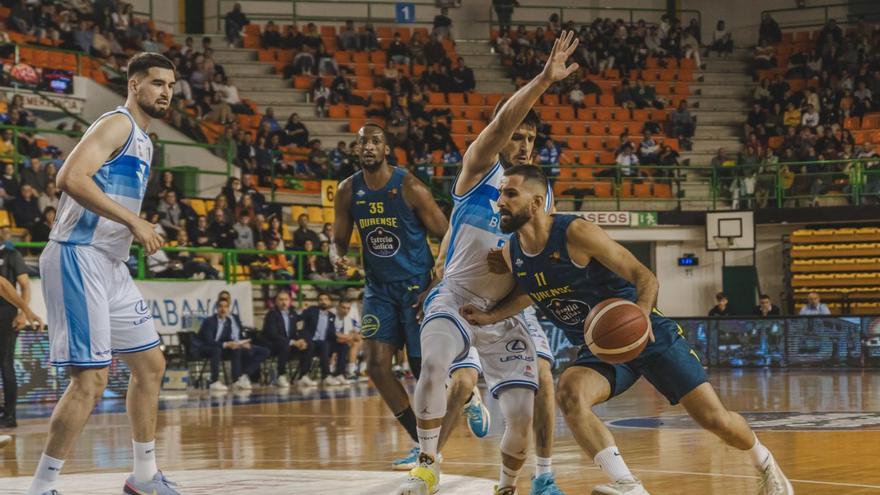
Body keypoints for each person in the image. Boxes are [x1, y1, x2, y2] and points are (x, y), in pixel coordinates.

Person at [461, 165, 794, 495]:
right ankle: (627, 484)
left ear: (535, 203)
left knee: (714, 419)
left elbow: (644, 276)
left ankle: (764, 461)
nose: (500, 201)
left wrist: (641, 319)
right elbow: (531, 293)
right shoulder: (512, 252)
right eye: (501, 193)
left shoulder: (576, 233)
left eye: (510, 193)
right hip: (602, 347)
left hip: (647, 332)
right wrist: (490, 316)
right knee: (570, 392)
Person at [396, 32, 581, 495]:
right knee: (435, 365)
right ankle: (426, 463)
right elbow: (499, 126)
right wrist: (543, 79)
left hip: (506, 311)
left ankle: (520, 481)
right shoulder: (479, 168)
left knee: (526, 404)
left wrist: (516, 269)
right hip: (458, 296)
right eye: (516, 134)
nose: (521, 142)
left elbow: (542, 268)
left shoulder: (542, 197)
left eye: (529, 138)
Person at [30, 52, 179, 495]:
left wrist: (135, 227)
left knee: (150, 365)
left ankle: (145, 476)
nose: (166, 92)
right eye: (156, 83)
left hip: (110, 263)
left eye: (170, 85)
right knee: (90, 381)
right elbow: (70, 177)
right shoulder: (116, 124)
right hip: (78, 256)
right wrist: (134, 223)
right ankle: (41, 487)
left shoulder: (146, 141)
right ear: (134, 85)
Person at [332, 123, 450, 470]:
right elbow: (338, 239)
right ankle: (422, 444)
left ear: (387, 150)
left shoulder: (411, 187)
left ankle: (465, 389)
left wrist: (436, 281)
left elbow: (447, 234)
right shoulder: (347, 190)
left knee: (421, 369)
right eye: (362, 142)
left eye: (375, 141)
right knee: (377, 366)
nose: (367, 146)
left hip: (416, 287)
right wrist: (336, 256)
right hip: (378, 289)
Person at [0, 227, 33, 428]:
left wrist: (23, 312)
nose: (5, 231)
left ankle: (10, 415)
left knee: (6, 363)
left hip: (6, 315)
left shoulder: (11, 254)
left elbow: (24, 285)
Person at [196, 298, 269, 390]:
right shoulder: (209, 321)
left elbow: (229, 338)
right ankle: (214, 381)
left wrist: (240, 343)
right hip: (204, 347)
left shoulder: (228, 321)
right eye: (220, 307)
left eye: (226, 307)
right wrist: (226, 344)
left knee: (237, 348)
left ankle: (239, 378)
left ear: (228, 309)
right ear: (216, 308)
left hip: (220, 347)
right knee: (216, 350)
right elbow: (208, 341)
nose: (223, 309)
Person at [298, 292, 349, 386]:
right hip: (312, 342)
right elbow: (298, 318)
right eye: (321, 299)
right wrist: (301, 311)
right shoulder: (311, 310)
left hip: (325, 343)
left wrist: (339, 338)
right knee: (324, 344)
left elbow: (331, 333)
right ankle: (326, 376)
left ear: (330, 302)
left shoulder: (331, 316)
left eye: (326, 299)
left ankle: (339, 373)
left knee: (344, 346)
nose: (323, 301)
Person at [260, 290, 307, 388]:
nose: (284, 302)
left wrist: (300, 340)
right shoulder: (272, 314)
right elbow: (272, 334)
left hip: (288, 344)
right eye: (281, 300)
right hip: (273, 345)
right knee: (284, 344)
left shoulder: (292, 314)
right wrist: (293, 342)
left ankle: (303, 376)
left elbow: (293, 333)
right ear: (276, 302)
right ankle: (281, 375)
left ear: (290, 301)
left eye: (286, 299)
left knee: (308, 344)